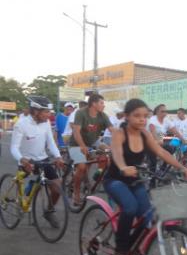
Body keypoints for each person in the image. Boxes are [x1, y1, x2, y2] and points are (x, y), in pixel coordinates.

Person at [104, 99, 187, 255]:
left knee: (147, 215)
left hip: (135, 180)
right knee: (130, 208)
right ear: (127, 117)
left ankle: (134, 247)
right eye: (137, 116)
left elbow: (160, 151)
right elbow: (116, 153)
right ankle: (121, 251)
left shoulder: (145, 134)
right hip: (115, 180)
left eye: (145, 116)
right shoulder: (119, 133)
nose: (141, 120)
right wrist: (123, 167)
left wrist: (182, 168)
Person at [10, 98, 65, 227]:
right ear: (35, 111)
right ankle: (21, 198)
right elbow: (14, 148)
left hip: (43, 159)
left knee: (58, 187)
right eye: (46, 112)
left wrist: (58, 157)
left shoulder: (46, 123)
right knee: (24, 192)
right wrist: (22, 160)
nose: (49, 115)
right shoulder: (21, 124)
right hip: (26, 160)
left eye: (49, 112)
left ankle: (49, 211)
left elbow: (50, 142)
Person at [70, 93, 114, 206]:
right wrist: (82, 146)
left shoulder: (102, 115)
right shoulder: (81, 113)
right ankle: (76, 192)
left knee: (109, 152)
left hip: (93, 142)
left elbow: (113, 130)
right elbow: (76, 132)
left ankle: (95, 177)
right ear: (94, 103)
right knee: (81, 167)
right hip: (76, 143)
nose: (103, 105)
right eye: (101, 103)